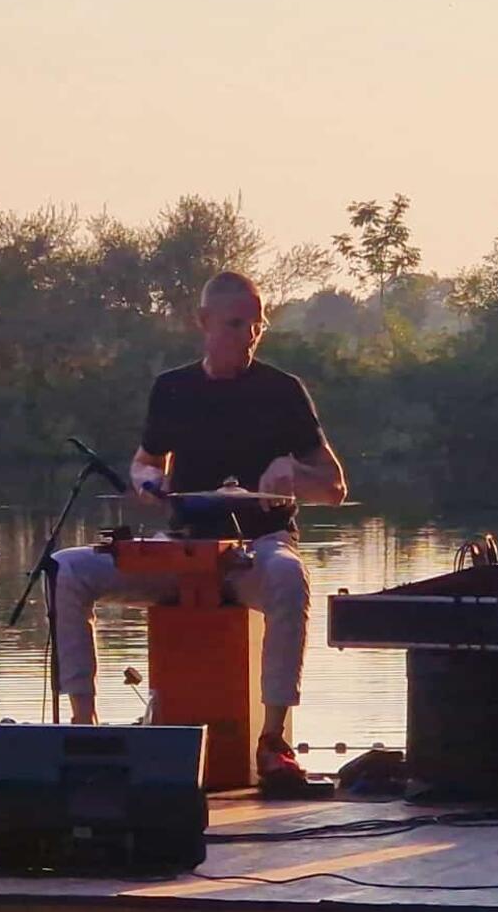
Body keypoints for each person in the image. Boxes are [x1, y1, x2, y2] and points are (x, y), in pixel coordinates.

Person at [51, 271, 347, 789]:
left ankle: (273, 742)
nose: (249, 335)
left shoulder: (283, 391)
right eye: (236, 324)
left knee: (287, 576)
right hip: (182, 549)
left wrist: (297, 476)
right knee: (65, 569)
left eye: (257, 325)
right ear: (204, 322)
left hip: (256, 549)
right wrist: (145, 480)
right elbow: (145, 461)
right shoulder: (172, 388)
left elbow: (335, 486)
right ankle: (84, 726)